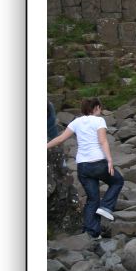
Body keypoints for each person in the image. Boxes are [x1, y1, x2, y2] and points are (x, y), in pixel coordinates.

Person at [46, 97, 124, 239]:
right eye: (100, 108)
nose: (100, 111)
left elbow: (60, 139)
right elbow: (102, 141)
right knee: (117, 181)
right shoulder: (99, 120)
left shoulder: (76, 122)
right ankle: (106, 207)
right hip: (98, 163)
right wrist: (110, 160)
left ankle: (91, 233)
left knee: (92, 199)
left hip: (83, 167)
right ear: (96, 108)